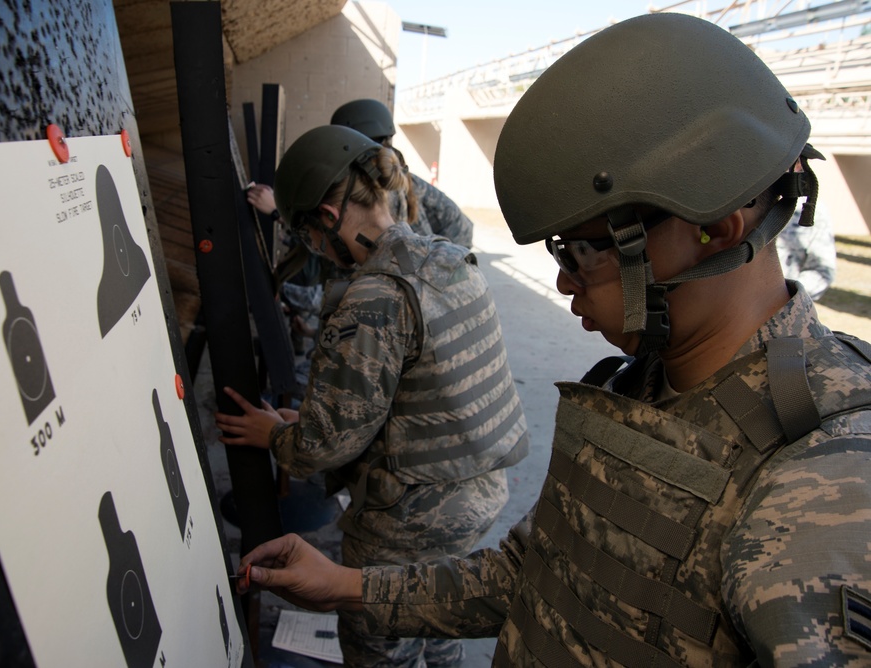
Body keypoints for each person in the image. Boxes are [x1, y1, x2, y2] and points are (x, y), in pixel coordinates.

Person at [230, 13, 871, 666]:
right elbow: (532, 576)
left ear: (716, 230)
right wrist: (346, 585)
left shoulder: (826, 472)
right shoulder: (639, 389)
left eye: (584, 253)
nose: (565, 286)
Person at [216, 124, 530, 667]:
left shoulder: (374, 296)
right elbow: (426, 393)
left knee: (381, 646)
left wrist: (278, 435)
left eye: (309, 234)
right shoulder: (445, 258)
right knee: (437, 623)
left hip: (411, 521)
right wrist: (315, 414)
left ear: (329, 217)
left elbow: (321, 446)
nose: (314, 248)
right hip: (476, 499)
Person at [331, 98, 475, 249]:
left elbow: (405, 251)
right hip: (451, 237)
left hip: (454, 240)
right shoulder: (393, 172)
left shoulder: (387, 186)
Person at [776, 199, 837, 300]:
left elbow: (823, 271)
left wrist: (785, 296)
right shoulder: (747, 198)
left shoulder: (810, 209)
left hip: (780, 307)